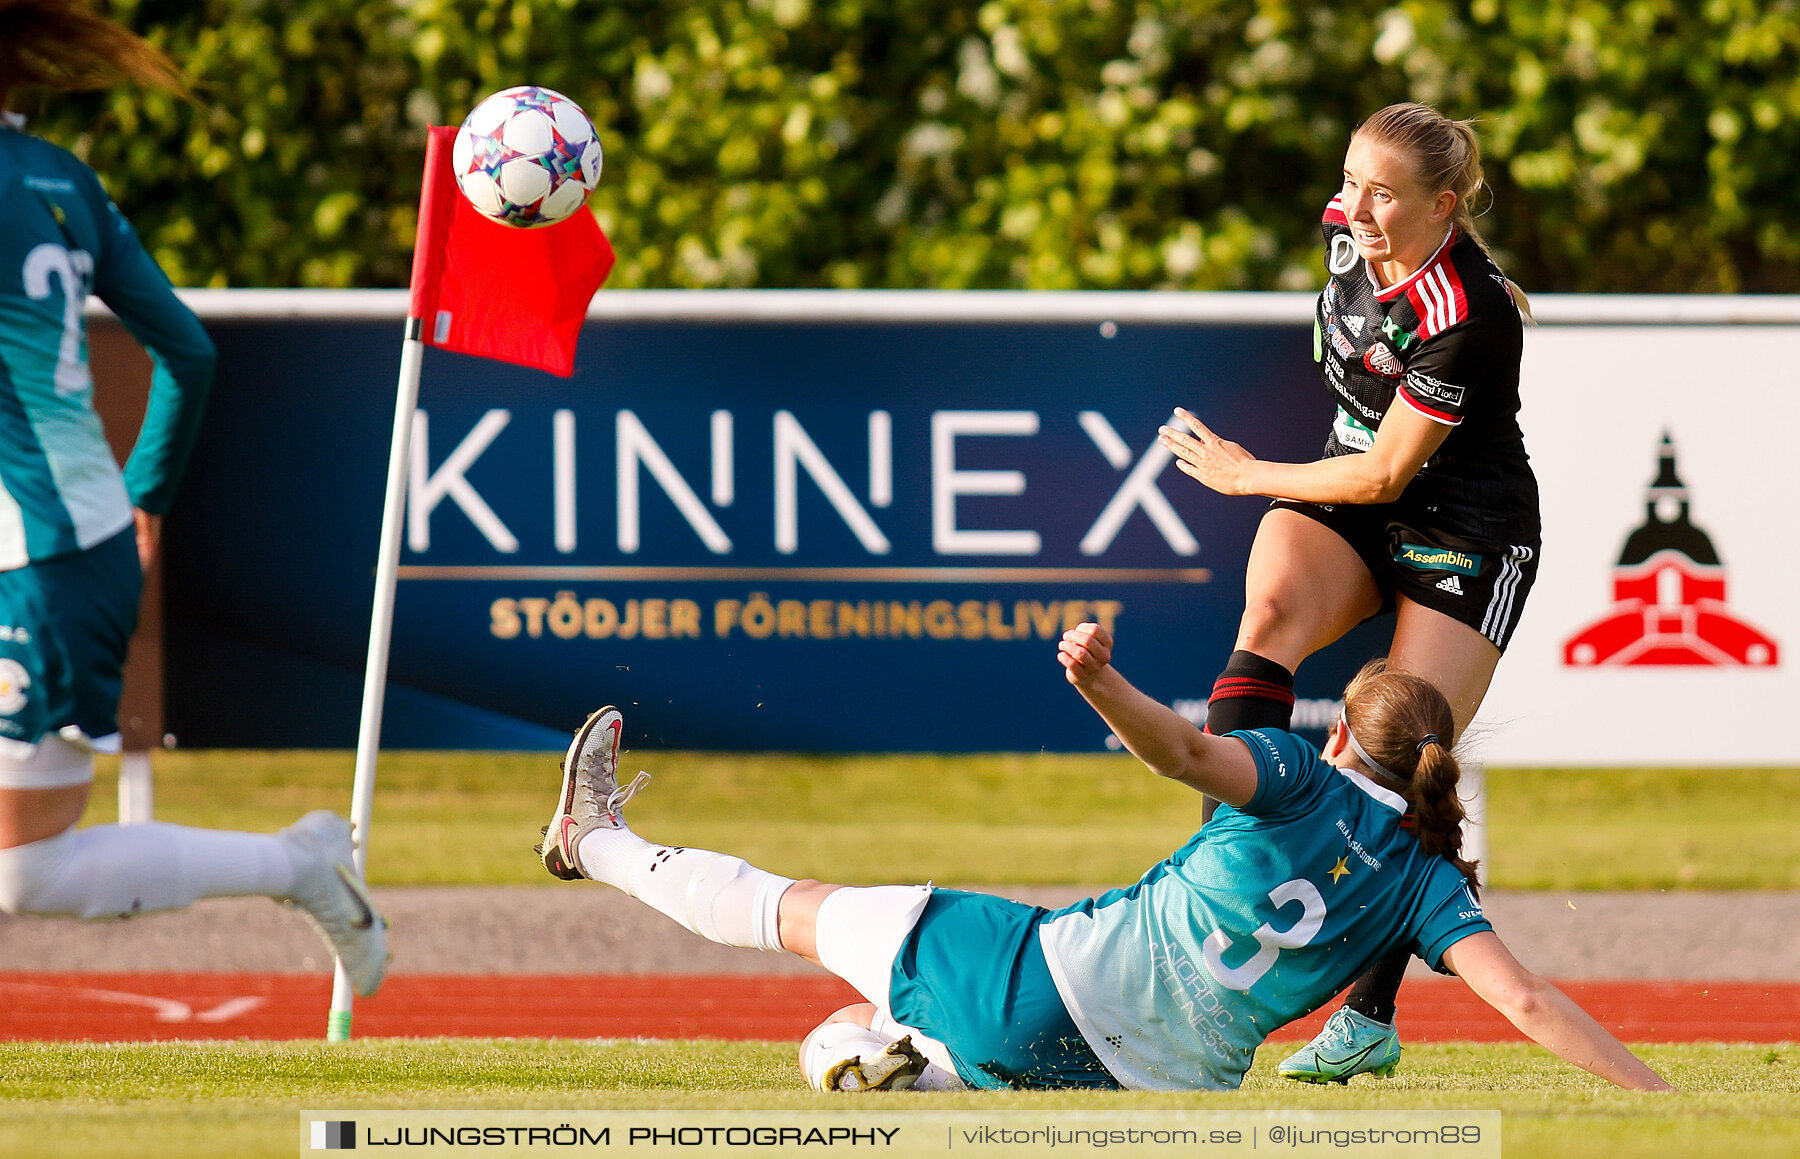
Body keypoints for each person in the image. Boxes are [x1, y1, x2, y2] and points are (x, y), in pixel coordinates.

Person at [536, 624, 1670, 1094]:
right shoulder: (1429, 880)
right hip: (1151, 1089)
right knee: (912, 1054)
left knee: (788, 907)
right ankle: (901, 1072)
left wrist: (1097, 683)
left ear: (1337, 734)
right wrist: (1649, 1092)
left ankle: (598, 839)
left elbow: (1180, 751)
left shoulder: (1297, 774)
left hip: (1044, 980)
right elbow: (1520, 997)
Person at [0, 0, 386, 995]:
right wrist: (147, 498)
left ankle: (298, 864)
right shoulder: (61, 181)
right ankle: (298, 863)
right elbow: (189, 350)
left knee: (27, 870)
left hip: (27, 561)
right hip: (76, 538)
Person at [1156, 102, 1540, 1082]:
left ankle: (1368, 1015)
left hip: (1464, 527)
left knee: (1397, 758)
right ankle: (1226, 878)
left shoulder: (1470, 312)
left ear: (1443, 204)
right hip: (1355, 485)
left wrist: (1249, 475)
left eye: (1385, 192)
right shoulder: (1346, 227)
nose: (1358, 206)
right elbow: (1359, 470)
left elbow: (1386, 477)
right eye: (1352, 180)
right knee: (1270, 614)